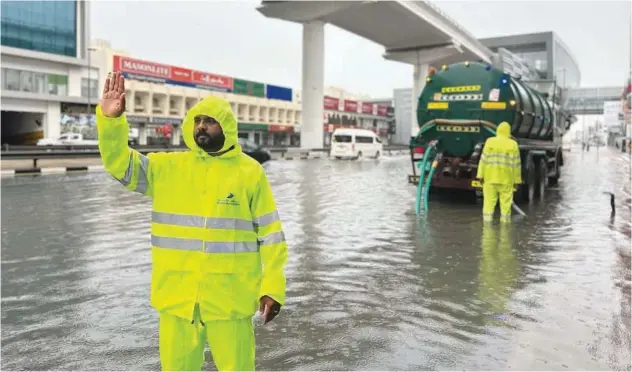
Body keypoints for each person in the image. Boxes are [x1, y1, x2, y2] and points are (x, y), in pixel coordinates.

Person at [97, 72, 288, 371]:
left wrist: (273, 286)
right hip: (177, 301)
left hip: (230, 301)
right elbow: (119, 164)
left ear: (226, 126)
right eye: (197, 121)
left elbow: (271, 235)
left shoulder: (250, 173)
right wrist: (110, 122)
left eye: (209, 121)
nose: (201, 126)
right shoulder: (168, 168)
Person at [476, 121, 522, 223]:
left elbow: (483, 160)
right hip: (506, 180)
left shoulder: (489, 142)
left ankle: (487, 229)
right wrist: (517, 181)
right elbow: (517, 165)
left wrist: (480, 175)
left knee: (488, 205)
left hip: (490, 179)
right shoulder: (513, 144)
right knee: (506, 207)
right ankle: (505, 230)